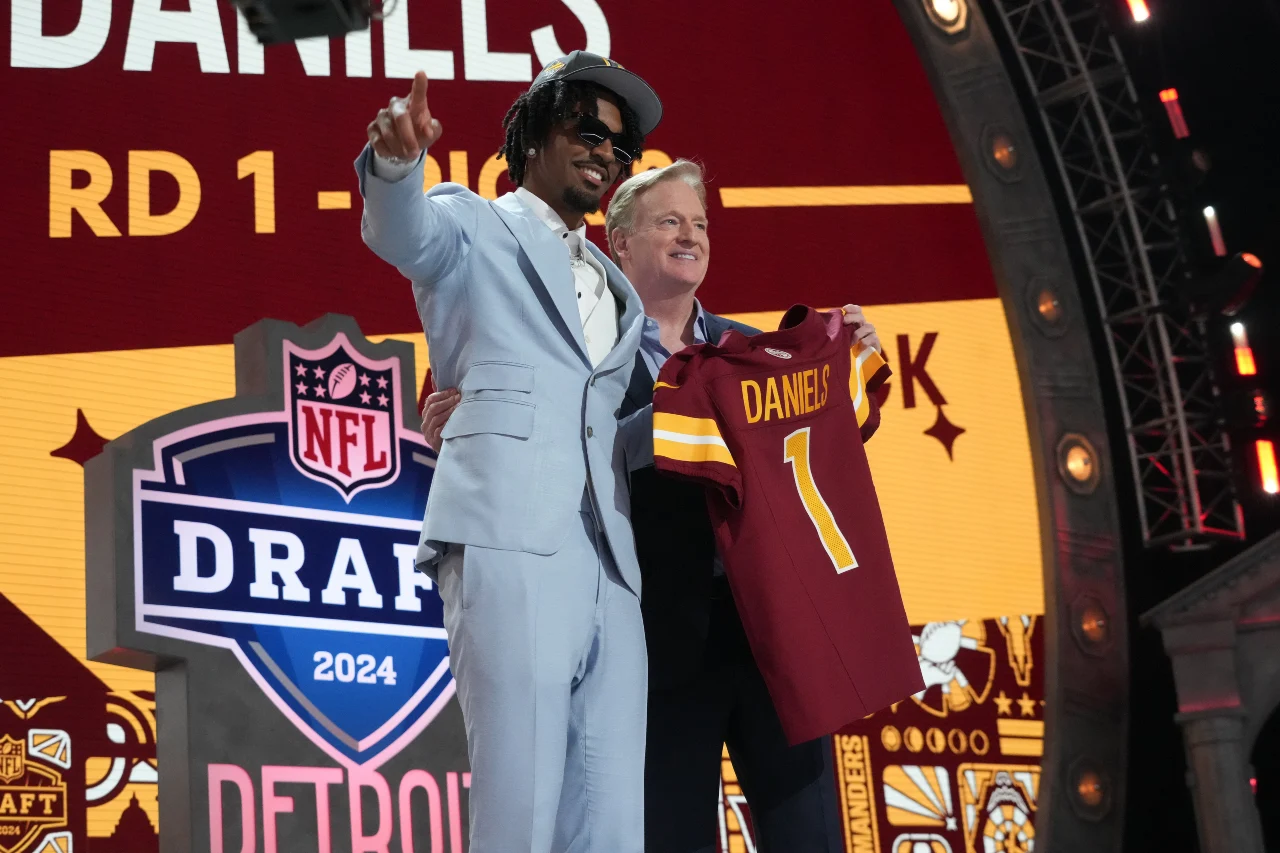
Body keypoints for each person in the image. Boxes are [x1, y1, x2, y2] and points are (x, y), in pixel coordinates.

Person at [420, 160, 884, 852]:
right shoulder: (570, 354)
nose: (690, 235)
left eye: (699, 224)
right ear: (621, 243)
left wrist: (851, 367)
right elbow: (496, 412)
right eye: (670, 221)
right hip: (649, 648)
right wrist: (468, 406)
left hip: (771, 642)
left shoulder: (750, 351)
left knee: (811, 836)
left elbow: (817, 443)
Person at [357, 52, 663, 853]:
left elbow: (644, 413)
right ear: (532, 138)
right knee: (519, 808)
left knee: (611, 823)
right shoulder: (476, 222)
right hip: (508, 535)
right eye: (587, 131)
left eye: (621, 149)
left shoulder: (616, 287)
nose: (605, 153)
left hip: (612, 564)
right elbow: (405, 234)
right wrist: (396, 164)